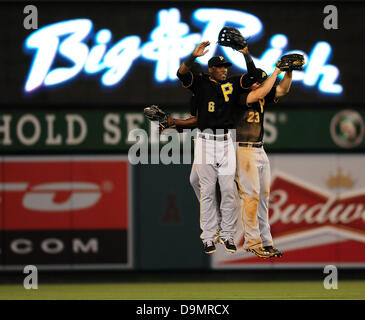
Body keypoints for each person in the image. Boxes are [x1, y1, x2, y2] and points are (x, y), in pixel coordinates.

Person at [233, 66, 293, 258]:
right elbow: (262, 91)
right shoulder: (240, 96)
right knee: (251, 195)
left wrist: (289, 72)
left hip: (259, 149)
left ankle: (266, 242)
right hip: (242, 149)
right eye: (257, 81)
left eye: (261, 81)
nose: (259, 83)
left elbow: (282, 90)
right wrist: (276, 72)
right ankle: (253, 241)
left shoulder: (261, 96)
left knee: (263, 197)